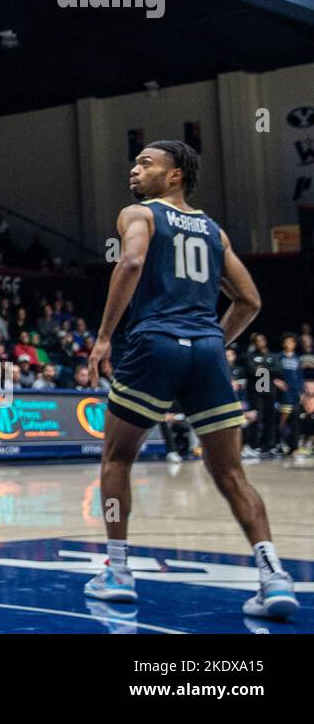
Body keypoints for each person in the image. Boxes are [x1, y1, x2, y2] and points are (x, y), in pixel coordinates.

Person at [85, 141, 298, 620]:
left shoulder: (139, 214)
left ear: (175, 175)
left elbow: (132, 263)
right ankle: (273, 575)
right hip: (205, 350)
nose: (134, 169)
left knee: (117, 457)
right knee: (230, 473)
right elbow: (249, 300)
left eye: (146, 163)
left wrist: (103, 338)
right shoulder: (213, 230)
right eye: (135, 162)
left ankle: (117, 571)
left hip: (154, 344)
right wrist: (215, 343)